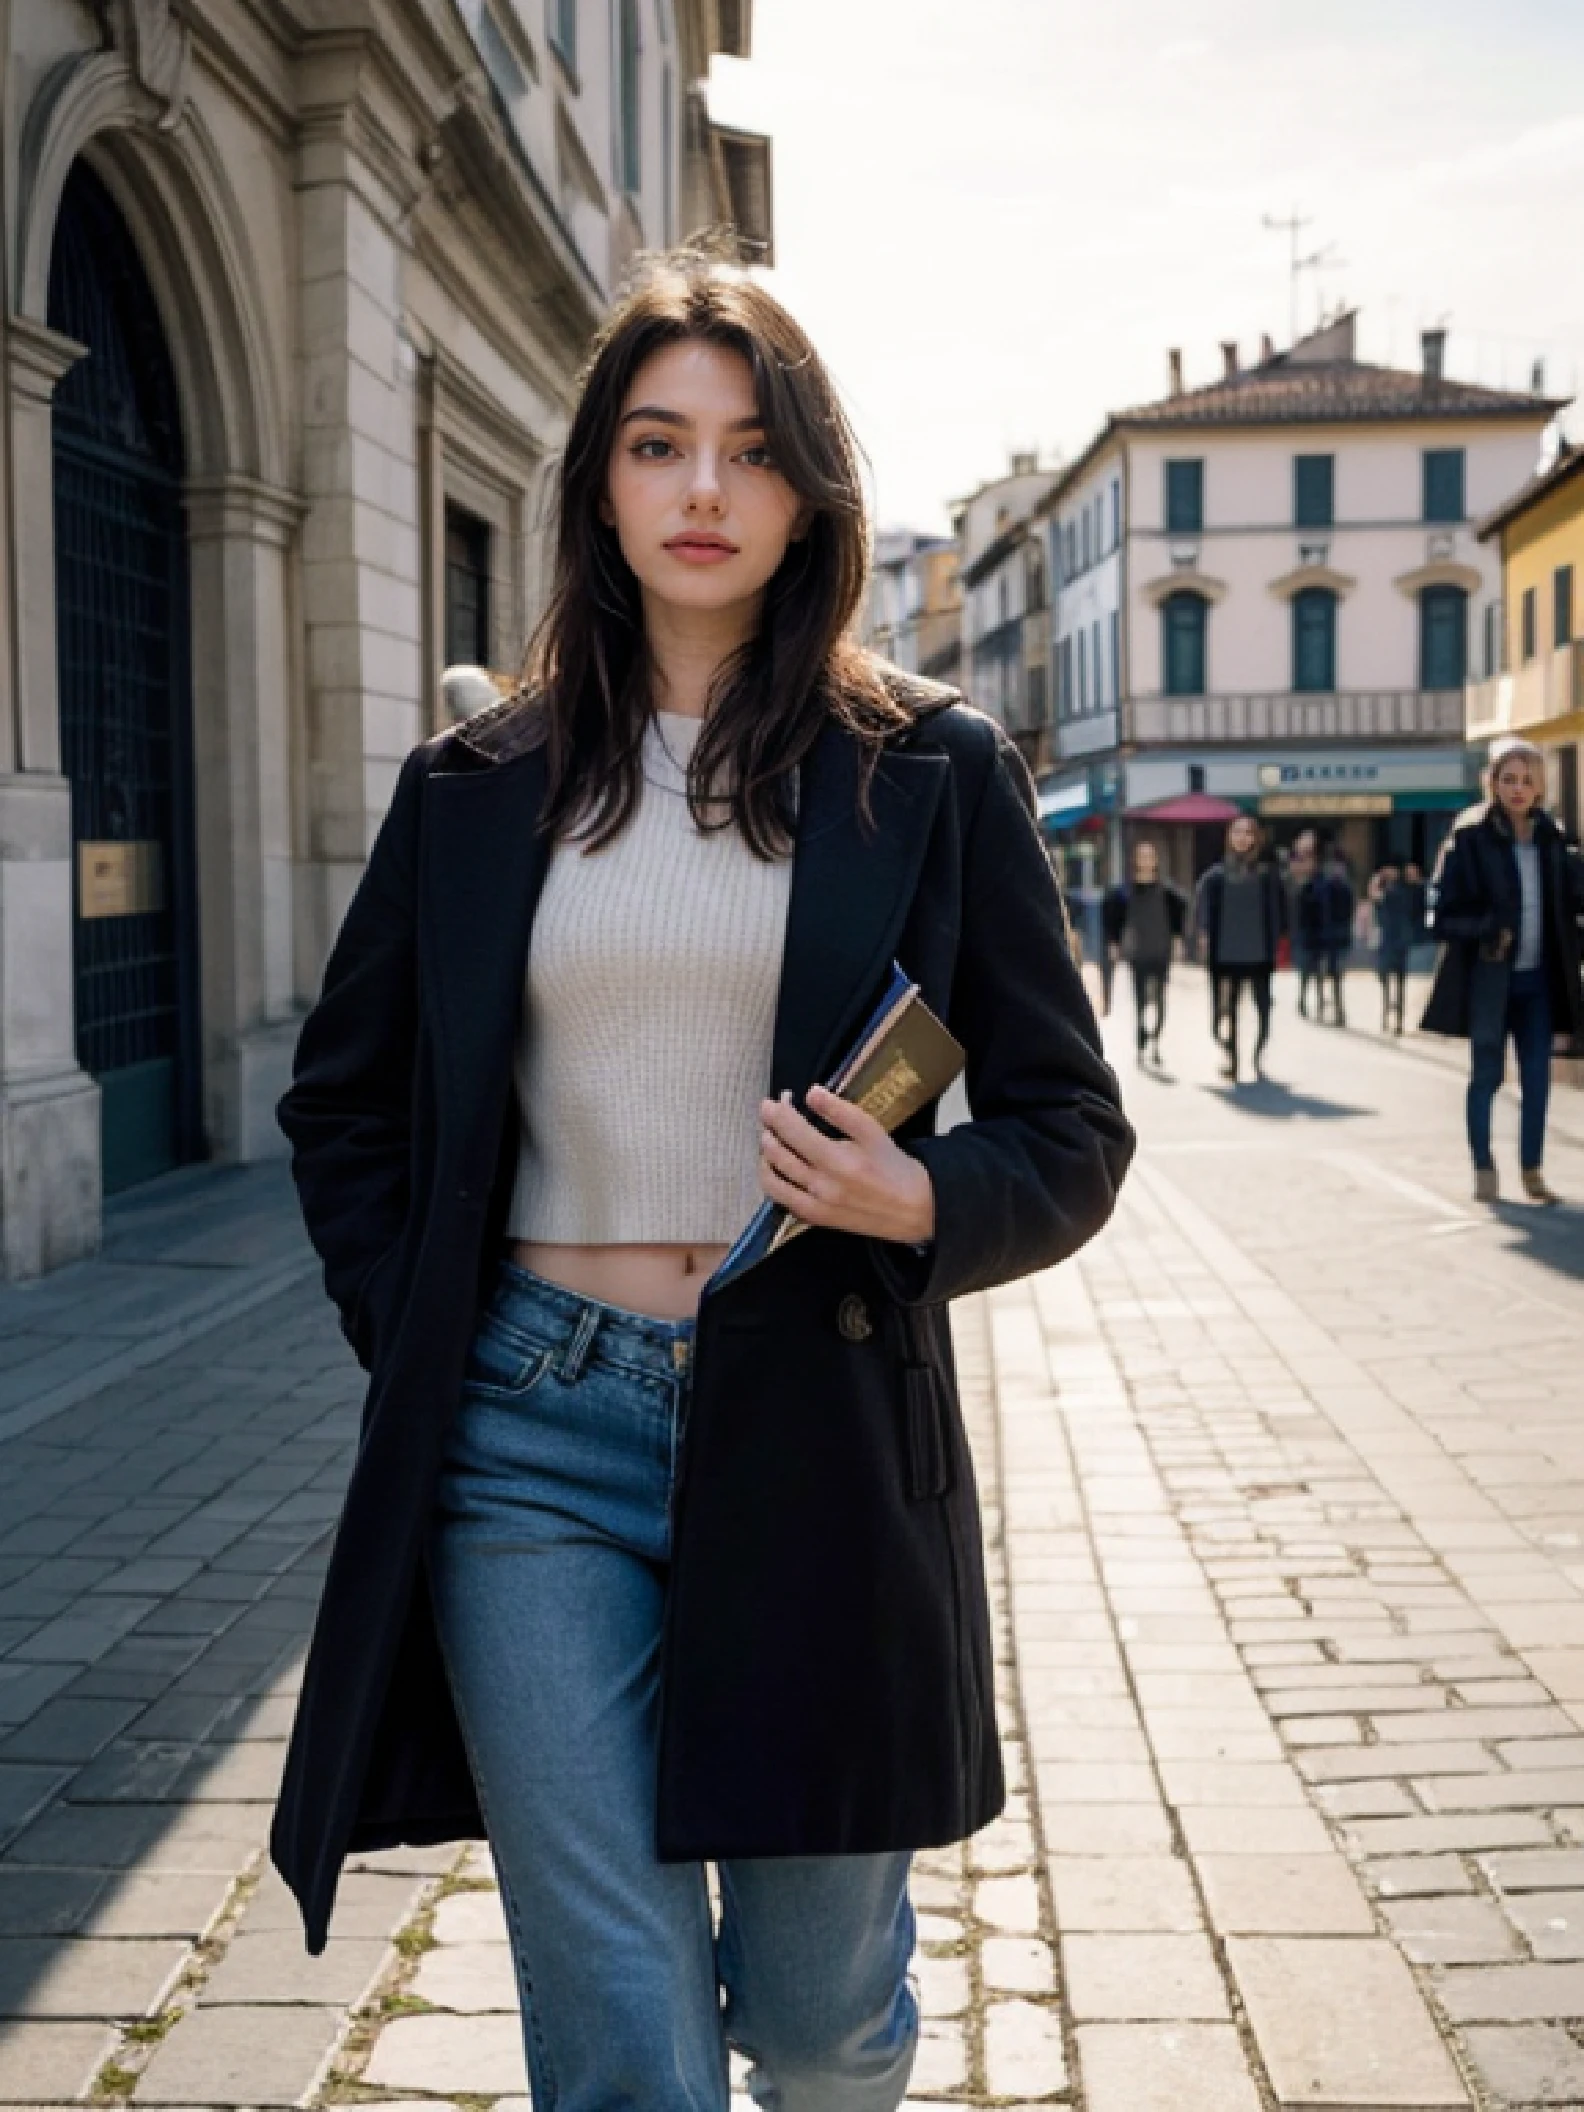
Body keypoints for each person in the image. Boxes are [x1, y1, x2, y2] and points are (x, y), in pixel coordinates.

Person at [268, 246, 1134, 2112]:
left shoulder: (928, 770)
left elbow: (1071, 1130)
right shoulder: (472, 782)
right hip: (529, 1436)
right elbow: (340, 1107)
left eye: (747, 451)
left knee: (822, 2018)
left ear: (807, 486)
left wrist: (920, 1205)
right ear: (598, 476)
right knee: (620, 2024)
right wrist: (421, 1328)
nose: (700, 491)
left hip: (816, 1416)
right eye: (657, 445)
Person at [1422, 736, 1584, 1205]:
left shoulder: (1553, 839)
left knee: (1536, 1079)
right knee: (1487, 1076)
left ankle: (1532, 1171)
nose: (1517, 789)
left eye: (1526, 780)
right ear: (1492, 782)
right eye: (1508, 779)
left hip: (1539, 982)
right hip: (1490, 979)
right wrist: (1488, 927)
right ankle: (1483, 1168)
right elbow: (1439, 915)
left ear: (1539, 787)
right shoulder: (1470, 836)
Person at [1196, 814, 1287, 1082]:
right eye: (1237, 832)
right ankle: (1233, 1060)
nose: (1242, 838)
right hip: (1226, 954)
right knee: (1227, 1012)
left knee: (1263, 1009)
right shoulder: (1216, 876)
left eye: (1248, 833)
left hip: (1260, 953)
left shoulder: (1268, 875)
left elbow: (1280, 913)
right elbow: (1202, 913)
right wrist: (1203, 937)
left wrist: (1279, 943)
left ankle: (1258, 1056)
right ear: (1229, 837)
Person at [1103, 840, 1187, 1067]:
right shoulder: (1125, 892)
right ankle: (1140, 1040)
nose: (1146, 860)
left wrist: (1178, 942)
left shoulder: (1167, 891)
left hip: (1161, 948)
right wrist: (1114, 943)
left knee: (1159, 998)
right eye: (1142, 856)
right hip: (1137, 950)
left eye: (1150, 856)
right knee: (1140, 998)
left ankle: (1156, 1042)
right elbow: (1113, 917)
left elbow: (1178, 916)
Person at [1299, 846, 1355, 1025]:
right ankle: (1318, 1004)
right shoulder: (1315, 887)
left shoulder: (1343, 888)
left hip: (1334, 936)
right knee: (1314, 971)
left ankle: (1336, 1009)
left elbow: (1347, 912)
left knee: (1334, 973)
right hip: (1318, 936)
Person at [1369, 862, 1417, 1034]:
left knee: (1396, 982)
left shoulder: (1397, 892)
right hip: (1390, 942)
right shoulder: (1391, 892)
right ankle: (1391, 1018)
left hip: (1394, 942)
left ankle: (1395, 1019)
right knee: (1391, 982)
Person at [1285, 828, 1320, 1017]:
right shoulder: (1289, 878)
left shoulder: (1320, 877)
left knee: (1312, 966)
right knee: (1304, 966)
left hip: (1316, 930)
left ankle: (1313, 998)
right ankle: (1303, 997)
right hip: (1297, 929)